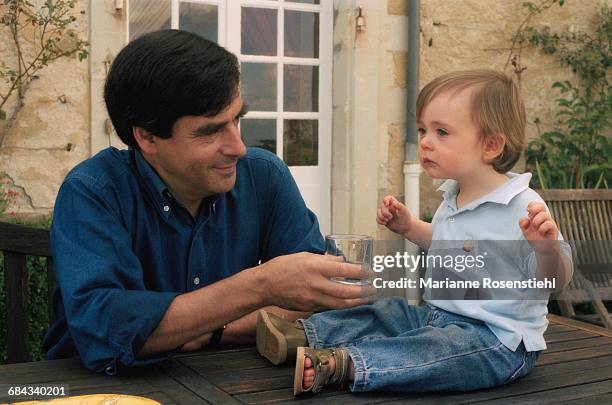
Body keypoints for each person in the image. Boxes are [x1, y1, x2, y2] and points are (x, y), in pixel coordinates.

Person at [42, 29, 373, 374]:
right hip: (94, 390)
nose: (238, 148)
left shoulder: (263, 176)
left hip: (233, 379)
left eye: (237, 120)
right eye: (211, 131)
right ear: (148, 136)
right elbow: (106, 328)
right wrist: (261, 286)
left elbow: (311, 298)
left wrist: (210, 330)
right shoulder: (93, 191)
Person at [256, 70, 573, 395]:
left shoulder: (523, 206)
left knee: (435, 351)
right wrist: (408, 226)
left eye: (442, 132)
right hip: (438, 317)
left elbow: (556, 281)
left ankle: (344, 363)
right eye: (423, 129)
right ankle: (303, 335)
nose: (424, 141)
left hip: (497, 340)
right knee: (389, 312)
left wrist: (545, 250)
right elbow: (442, 243)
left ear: (490, 145)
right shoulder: (454, 196)